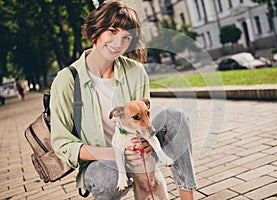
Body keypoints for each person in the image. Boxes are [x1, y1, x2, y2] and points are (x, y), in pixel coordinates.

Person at [50, 0, 197, 199]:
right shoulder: (66, 80)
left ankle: (187, 196)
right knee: (105, 180)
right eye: (112, 31)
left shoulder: (135, 72)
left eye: (126, 37)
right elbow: (62, 144)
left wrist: (145, 143)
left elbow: (143, 119)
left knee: (175, 116)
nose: (118, 43)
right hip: (102, 161)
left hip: (139, 148)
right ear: (97, 29)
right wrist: (116, 153)